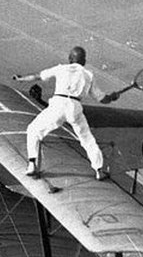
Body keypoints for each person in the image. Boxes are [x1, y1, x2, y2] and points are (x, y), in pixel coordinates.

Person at [13, 46, 119, 181]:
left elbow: (38, 76)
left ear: (70, 59)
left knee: (33, 130)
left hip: (58, 105)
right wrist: (112, 97)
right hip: (75, 107)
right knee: (88, 140)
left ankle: (32, 164)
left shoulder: (61, 68)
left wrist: (21, 79)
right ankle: (99, 170)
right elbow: (102, 99)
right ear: (84, 61)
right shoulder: (88, 75)